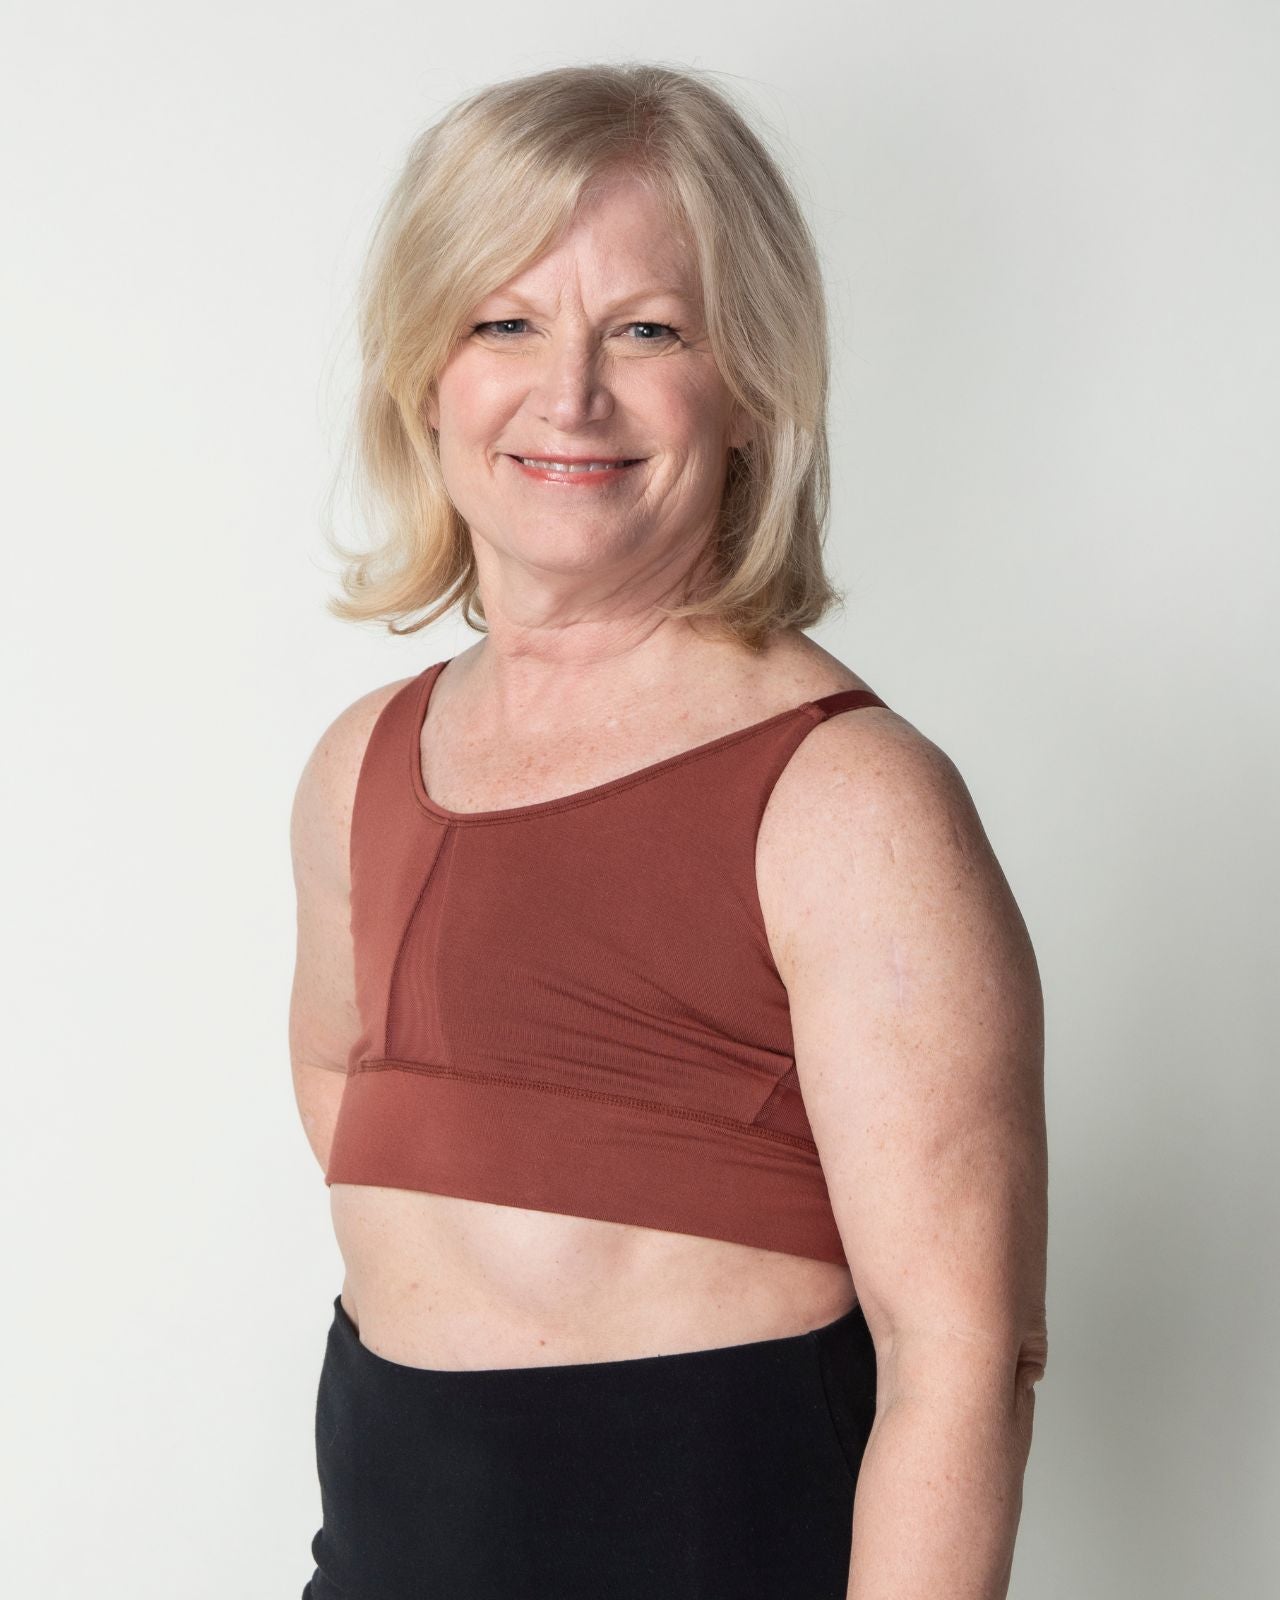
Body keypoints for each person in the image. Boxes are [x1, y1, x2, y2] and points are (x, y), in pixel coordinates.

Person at [289, 61, 1048, 1600]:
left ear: (752, 384)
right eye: (504, 323)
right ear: (424, 375)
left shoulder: (847, 800)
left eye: (647, 331)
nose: (570, 395)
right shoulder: (360, 764)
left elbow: (960, 1360)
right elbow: (345, 1093)